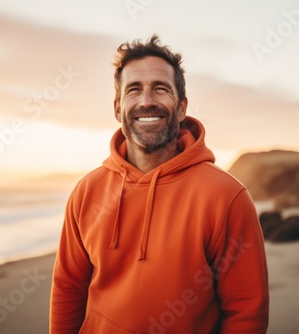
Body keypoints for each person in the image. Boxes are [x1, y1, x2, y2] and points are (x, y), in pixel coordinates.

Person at [50, 34, 269, 333]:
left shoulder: (226, 196)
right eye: (134, 90)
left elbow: (246, 311)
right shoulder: (87, 192)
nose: (147, 101)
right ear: (117, 108)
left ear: (181, 108)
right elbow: (68, 288)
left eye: (160, 88)